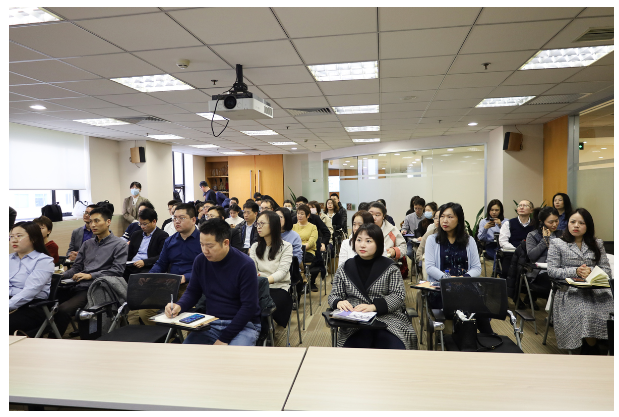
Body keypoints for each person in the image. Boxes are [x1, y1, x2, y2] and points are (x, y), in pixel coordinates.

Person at [165, 219, 261, 346]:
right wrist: (179, 305)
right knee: (187, 353)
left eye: (210, 246)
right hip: (211, 322)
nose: (205, 250)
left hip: (243, 325)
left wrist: (224, 338)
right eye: (201, 245)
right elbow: (193, 292)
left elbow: (249, 307)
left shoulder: (245, 265)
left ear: (226, 243)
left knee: (233, 357)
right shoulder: (200, 261)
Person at [328, 223, 417, 349]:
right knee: (352, 352)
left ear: (378, 244)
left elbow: (398, 296)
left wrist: (374, 307)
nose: (362, 245)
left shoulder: (390, 267)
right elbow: (334, 294)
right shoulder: (345, 267)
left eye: (368, 241)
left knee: (394, 350)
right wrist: (338, 302)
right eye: (359, 240)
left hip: (388, 318)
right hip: (355, 321)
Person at [547, 208, 613, 354]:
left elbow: (606, 270)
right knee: (586, 312)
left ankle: (603, 345)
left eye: (581, 223)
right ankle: (591, 348)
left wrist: (591, 271)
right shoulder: (557, 243)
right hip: (570, 292)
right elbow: (552, 271)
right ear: (568, 224)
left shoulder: (597, 243)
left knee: (610, 310)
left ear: (588, 226)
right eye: (573, 222)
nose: (576, 225)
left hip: (596, 290)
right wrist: (575, 271)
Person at [56, 208, 128, 337]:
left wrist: (90, 276)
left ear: (108, 222)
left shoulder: (119, 245)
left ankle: (52, 340)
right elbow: (76, 268)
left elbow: (117, 271)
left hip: (95, 287)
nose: (92, 225)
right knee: (46, 300)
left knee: (63, 310)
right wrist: (58, 276)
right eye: (90, 222)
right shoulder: (87, 244)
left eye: (96, 221)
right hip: (75, 284)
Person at [424, 203, 487, 331]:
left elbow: (476, 268)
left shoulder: (469, 240)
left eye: (450, 217)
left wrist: (463, 279)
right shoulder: (432, 239)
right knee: (467, 305)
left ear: (459, 219)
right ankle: (465, 335)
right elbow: (430, 267)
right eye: (442, 216)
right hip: (441, 288)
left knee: (476, 305)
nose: (444, 220)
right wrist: (448, 279)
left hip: (465, 285)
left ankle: (483, 335)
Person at [143, 203, 202, 324]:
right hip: (170, 285)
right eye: (174, 218)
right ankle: (166, 335)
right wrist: (149, 276)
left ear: (193, 220)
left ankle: (178, 333)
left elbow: (207, 269)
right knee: (145, 311)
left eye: (182, 218)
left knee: (184, 318)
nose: (177, 221)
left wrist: (186, 277)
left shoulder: (202, 240)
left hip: (193, 285)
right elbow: (161, 264)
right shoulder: (170, 241)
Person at [9, 221, 55, 335]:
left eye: (19, 236)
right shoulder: (9, 259)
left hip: (32, 307)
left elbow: (30, 292)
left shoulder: (44, 261)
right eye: (11, 236)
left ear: (34, 238)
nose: (13, 240)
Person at [250, 210, 294, 328]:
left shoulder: (286, 246)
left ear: (273, 225)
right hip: (258, 287)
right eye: (257, 223)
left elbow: (282, 272)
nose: (258, 227)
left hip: (278, 287)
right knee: (246, 303)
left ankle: (265, 332)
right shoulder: (255, 247)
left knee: (264, 306)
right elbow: (252, 270)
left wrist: (263, 281)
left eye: (262, 223)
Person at [525, 206, 562, 300]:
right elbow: (532, 256)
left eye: (556, 221)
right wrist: (545, 240)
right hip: (541, 272)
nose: (554, 224)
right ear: (542, 222)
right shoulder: (533, 235)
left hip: (560, 269)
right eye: (551, 222)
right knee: (557, 285)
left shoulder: (561, 235)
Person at [124, 208, 169, 281]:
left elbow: (161, 256)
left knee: (142, 278)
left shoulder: (162, 235)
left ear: (154, 221)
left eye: (144, 224)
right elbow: (129, 253)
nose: (142, 226)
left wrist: (145, 262)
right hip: (132, 265)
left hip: (148, 266)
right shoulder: (136, 234)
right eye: (140, 224)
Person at [498, 199, 535, 277]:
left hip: (529, 256)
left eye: (525, 206)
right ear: (517, 209)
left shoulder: (535, 225)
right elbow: (503, 241)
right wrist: (517, 251)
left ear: (531, 210)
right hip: (512, 254)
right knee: (508, 272)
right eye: (520, 206)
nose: (521, 207)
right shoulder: (508, 223)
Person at [292, 204, 320, 291]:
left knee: (297, 259)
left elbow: (311, 242)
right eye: (298, 213)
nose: (299, 216)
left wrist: (301, 248)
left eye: (302, 214)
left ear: (308, 215)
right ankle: (301, 278)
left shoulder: (313, 227)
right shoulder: (293, 227)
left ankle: (301, 279)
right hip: (294, 251)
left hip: (307, 252)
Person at [416, 210, 439, 280]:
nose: (438, 220)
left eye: (440, 217)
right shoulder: (429, 235)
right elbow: (418, 255)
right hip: (430, 270)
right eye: (436, 218)